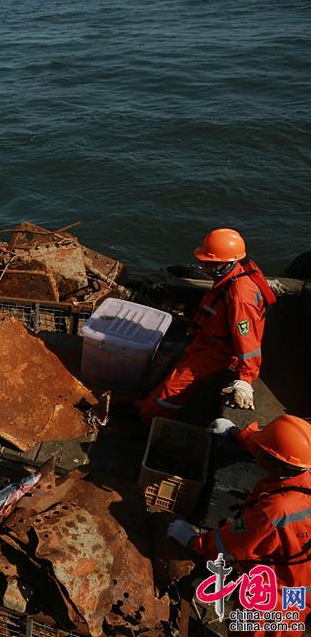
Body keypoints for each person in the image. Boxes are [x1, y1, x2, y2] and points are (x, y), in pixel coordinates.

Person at [168, 414, 311, 635]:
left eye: (261, 449)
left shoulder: (275, 511)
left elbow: (229, 546)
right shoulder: (301, 467)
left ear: (278, 465)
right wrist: (235, 432)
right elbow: (272, 451)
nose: (257, 450)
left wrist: (192, 540)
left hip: (274, 596)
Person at [137, 229, 276, 423]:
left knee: (167, 395)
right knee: (167, 371)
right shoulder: (237, 270)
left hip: (217, 353)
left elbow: (248, 343)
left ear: (226, 263)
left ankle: (151, 419)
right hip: (205, 340)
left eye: (209, 263)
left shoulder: (240, 298)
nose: (203, 267)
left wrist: (245, 378)